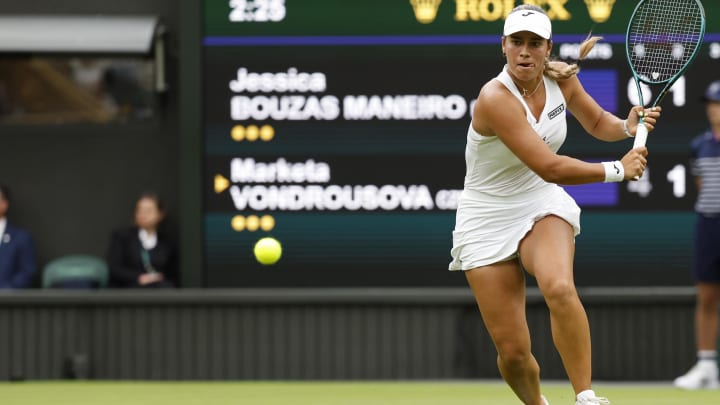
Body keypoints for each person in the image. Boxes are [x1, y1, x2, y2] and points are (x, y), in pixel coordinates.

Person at [448, 5, 662, 405]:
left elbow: (598, 123)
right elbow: (550, 166)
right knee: (513, 354)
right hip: (485, 215)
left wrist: (626, 127)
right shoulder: (494, 99)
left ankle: (586, 396)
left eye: (534, 44)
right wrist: (618, 169)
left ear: (548, 48)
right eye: (517, 43)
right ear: (504, 46)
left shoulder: (560, 80)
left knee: (559, 286)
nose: (525, 52)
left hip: (539, 200)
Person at [673, 80, 720, 390]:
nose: (714, 109)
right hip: (708, 225)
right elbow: (703, 186)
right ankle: (706, 366)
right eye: (711, 103)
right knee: (706, 295)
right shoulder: (698, 144)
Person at [107, 192, 179, 288]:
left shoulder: (167, 243)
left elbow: (172, 274)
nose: (143, 214)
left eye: (148, 211)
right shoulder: (123, 237)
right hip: (129, 290)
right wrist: (139, 277)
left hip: (159, 290)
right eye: (139, 210)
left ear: (160, 214)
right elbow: (114, 268)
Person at [0, 184, 37, 288]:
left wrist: (5, 292)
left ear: (5, 204)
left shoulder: (22, 238)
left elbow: (27, 273)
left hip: (6, 301)